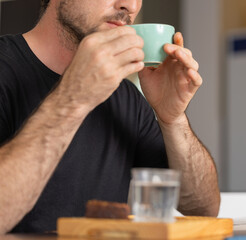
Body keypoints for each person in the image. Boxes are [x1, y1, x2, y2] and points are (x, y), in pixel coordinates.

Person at [0, 0, 220, 234]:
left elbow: (202, 208)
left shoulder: (126, 96)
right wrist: (73, 98)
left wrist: (173, 119)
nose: (131, 6)